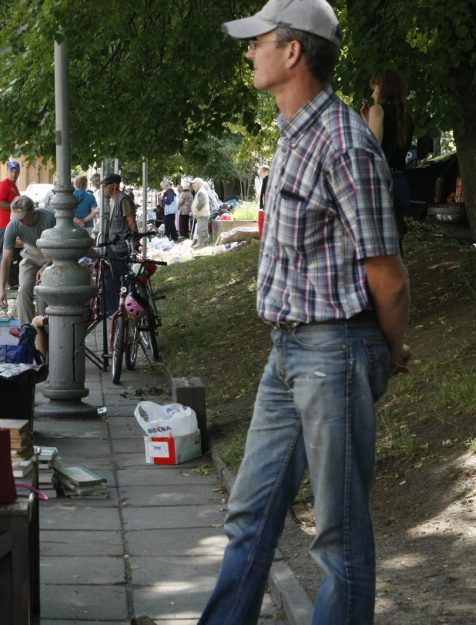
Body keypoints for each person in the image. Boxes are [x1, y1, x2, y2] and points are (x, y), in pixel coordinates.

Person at [191, 3, 411, 624]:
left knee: (339, 537)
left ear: (293, 53)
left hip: (334, 352)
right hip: (289, 353)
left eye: (258, 41)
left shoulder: (343, 143)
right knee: (249, 515)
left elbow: (387, 278)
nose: (249, 51)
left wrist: (389, 350)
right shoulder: (293, 136)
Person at [361, 69, 414, 251]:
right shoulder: (406, 115)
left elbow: (373, 151)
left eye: (374, 88)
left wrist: (368, 124)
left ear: (383, 88)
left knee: (379, 247)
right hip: (401, 182)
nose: (372, 93)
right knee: (395, 245)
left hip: (382, 184)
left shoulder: (378, 110)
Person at [0, 195, 56, 324]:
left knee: (42, 292)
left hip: (52, 257)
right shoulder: (13, 225)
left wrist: (47, 266)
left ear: (32, 210)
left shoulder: (50, 218)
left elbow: (62, 248)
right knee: (23, 290)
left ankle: (44, 330)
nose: (20, 221)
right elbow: (6, 259)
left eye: (22, 217)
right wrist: (2, 289)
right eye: (17, 218)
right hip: (31, 257)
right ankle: (26, 331)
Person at [99, 173, 137, 313]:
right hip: (112, 246)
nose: (104, 189)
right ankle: (114, 310)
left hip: (120, 247)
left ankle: (122, 310)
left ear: (114, 185)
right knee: (110, 279)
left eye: (106, 186)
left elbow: (131, 222)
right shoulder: (113, 200)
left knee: (120, 280)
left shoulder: (123, 200)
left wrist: (135, 242)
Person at [0, 161, 21, 252]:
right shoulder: (5, 183)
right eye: (11, 171)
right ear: (7, 172)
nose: (14, 174)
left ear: (19, 172)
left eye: (16, 172)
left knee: (9, 254)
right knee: (5, 253)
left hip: (11, 224)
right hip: (4, 224)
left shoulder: (13, 186)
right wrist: (17, 208)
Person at [190, 177, 211, 247]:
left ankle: (204, 245)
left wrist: (195, 211)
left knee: (202, 230)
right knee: (201, 230)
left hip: (203, 214)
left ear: (198, 184)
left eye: (194, 183)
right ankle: (202, 244)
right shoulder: (200, 191)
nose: (192, 185)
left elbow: (201, 203)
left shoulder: (201, 191)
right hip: (201, 214)